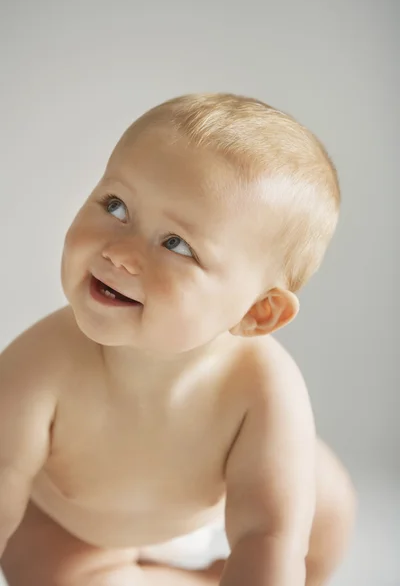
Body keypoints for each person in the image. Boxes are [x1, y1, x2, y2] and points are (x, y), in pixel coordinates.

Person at [0, 93, 356, 586]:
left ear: (258, 311)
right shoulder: (40, 363)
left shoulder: (262, 385)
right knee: (44, 565)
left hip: (218, 511)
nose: (120, 253)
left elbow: (265, 531)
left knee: (322, 503)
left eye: (176, 244)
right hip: (77, 525)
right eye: (116, 206)